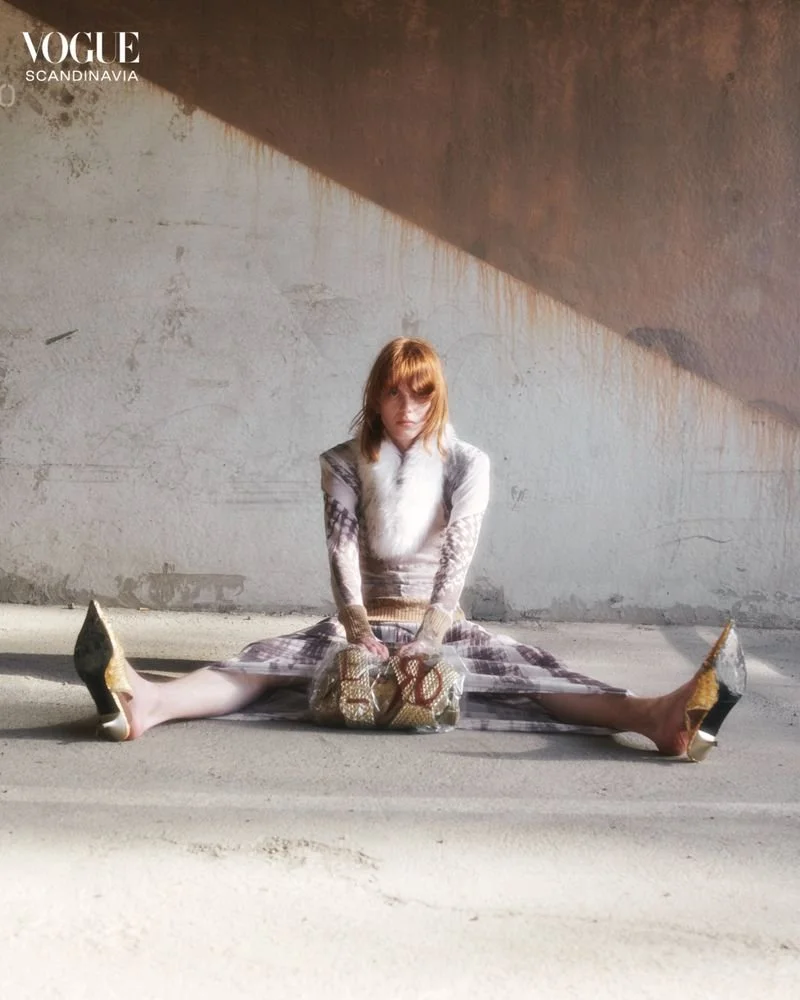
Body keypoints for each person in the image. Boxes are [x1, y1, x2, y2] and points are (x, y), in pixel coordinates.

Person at [73, 337, 746, 760]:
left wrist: (430, 636)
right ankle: (147, 702)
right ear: (375, 395)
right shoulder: (341, 462)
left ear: (436, 398)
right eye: (394, 391)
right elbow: (340, 553)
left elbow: (458, 557)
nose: (406, 405)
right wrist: (357, 630)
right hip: (362, 621)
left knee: (533, 675)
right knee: (263, 664)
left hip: (439, 621)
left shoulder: (467, 463)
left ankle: (660, 717)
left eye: (420, 393)